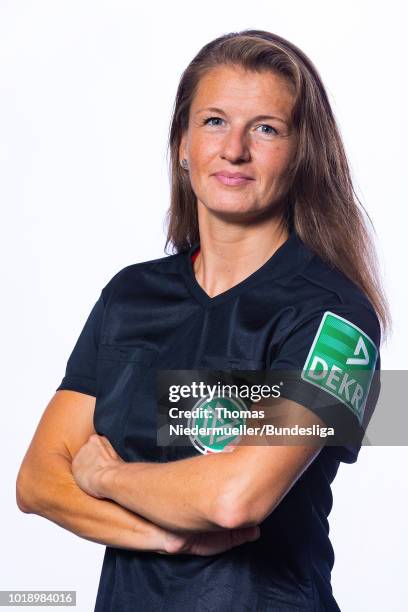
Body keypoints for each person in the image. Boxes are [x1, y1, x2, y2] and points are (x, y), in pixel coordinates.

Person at [16, 29, 390, 611]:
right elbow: (38, 480)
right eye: (214, 121)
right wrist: (165, 537)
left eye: (266, 128)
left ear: (302, 152)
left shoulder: (336, 320)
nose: (234, 150)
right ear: (182, 145)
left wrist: (106, 477)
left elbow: (238, 496)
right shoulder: (130, 296)